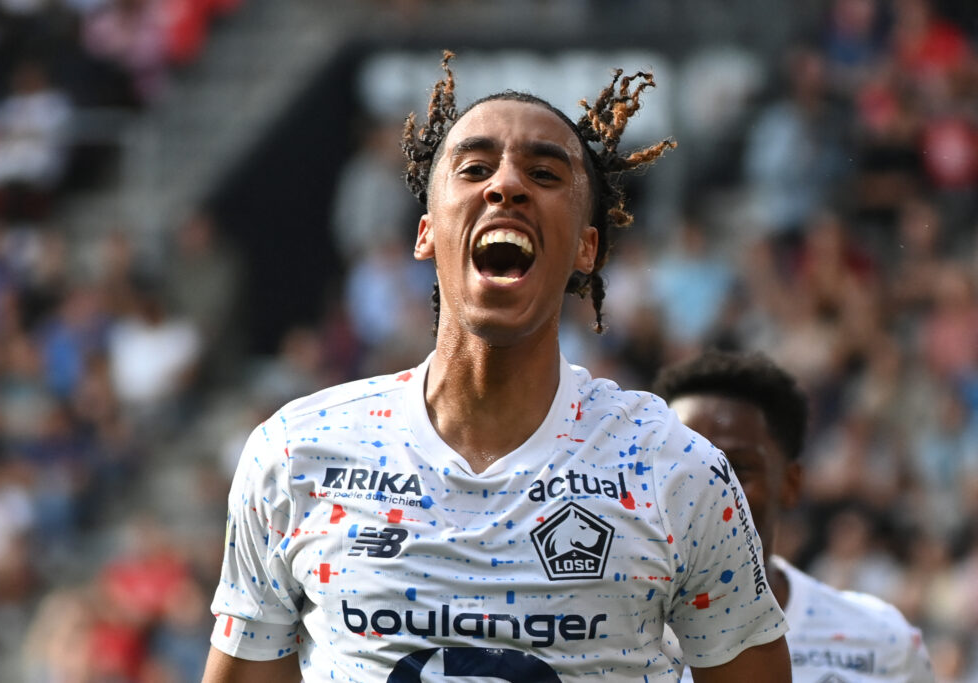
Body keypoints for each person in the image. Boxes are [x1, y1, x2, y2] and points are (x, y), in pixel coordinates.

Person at [202, 51, 791, 681]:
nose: (505, 186)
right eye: (476, 167)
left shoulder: (677, 472)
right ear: (427, 232)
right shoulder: (297, 455)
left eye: (544, 174)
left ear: (587, 247)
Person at [652, 350, 933, 682]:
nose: (705, 490)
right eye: (679, 469)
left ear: (790, 484)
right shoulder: (607, 629)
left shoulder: (882, 643)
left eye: (736, 469)